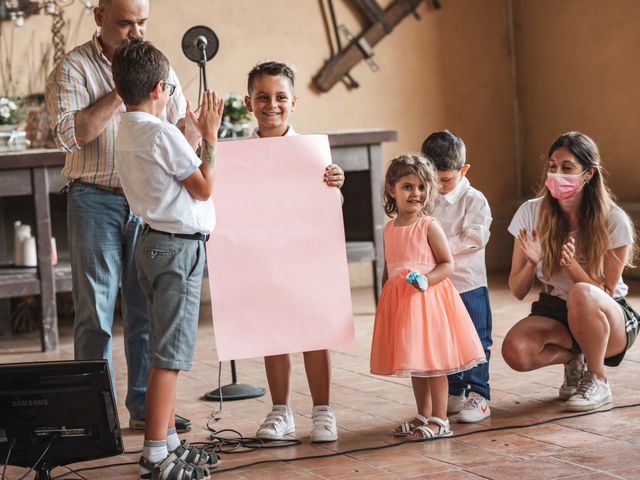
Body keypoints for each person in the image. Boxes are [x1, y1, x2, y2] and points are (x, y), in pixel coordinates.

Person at [44, 0, 191, 432]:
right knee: (96, 313)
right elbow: (73, 136)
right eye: (125, 23)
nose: (136, 33)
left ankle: (146, 408)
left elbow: (181, 130)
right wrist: (126, 89)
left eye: (142, 23)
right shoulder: (72, 69)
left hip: (149, 202)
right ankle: (92, 415)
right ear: (99, 17)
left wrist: (204, 133)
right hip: (94, 198)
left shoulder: (159, 64)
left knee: (146, 311)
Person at [112, 38, 223, 478]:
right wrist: (209, 138)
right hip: (177, 250)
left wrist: (191, 134)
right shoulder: (159, 133)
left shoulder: (129, 127)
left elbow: (169, 165)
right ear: (160, 88)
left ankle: (170, 440)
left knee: (164, 343)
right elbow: (203, 186)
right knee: (169, 355)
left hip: (153, 243)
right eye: (171, 90)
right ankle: (155, 452)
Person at [244, 61, 345, 442]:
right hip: (263, 258)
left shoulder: (313, 154)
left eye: (280, 97)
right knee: (275, 333)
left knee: (314, 332)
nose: (272, 104)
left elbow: (328, 207)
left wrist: (336, 183)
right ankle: (281, 411)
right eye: (263, 97)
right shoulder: (239, 157)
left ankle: (323, 412)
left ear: (294, 102)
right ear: (249, 102)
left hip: (306, 256)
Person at [503, 131, 639, 412]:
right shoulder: (531, 213)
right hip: (557, 311)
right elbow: (517, 291)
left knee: (581, 293)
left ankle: (598, 378)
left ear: (588, 174)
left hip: (607, 317)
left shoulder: (613, 220)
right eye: (552, 166)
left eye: (567, 168)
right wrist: (531, 262)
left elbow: (605, 292)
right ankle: (572, 359)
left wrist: (574, 269)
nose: (556, 174)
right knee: (515, 351)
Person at [369, 153, 486, 440]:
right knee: (415, 363)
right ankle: (423, 414)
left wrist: (425, 280)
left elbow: (447, 264)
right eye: (408, 186)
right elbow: (389, 268)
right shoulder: (388, 229)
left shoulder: (429, 226)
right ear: (391, 190)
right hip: (404, 305)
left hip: (428, 302)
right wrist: (385, 300)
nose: (416, 193)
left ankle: (440, 418)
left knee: (434, 364)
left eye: (422, 187)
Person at [421, 131, 493, 423]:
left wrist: (437, 250)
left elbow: (476, 237)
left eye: (446, 179)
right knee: (445, 338)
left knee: (476, 337)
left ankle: (479, 394)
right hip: (439, 285)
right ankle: (454, 390)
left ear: (463, 171)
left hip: (468, 283)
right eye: (432, 178)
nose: (438, 185)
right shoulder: (425, 197)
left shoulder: (474, 200)